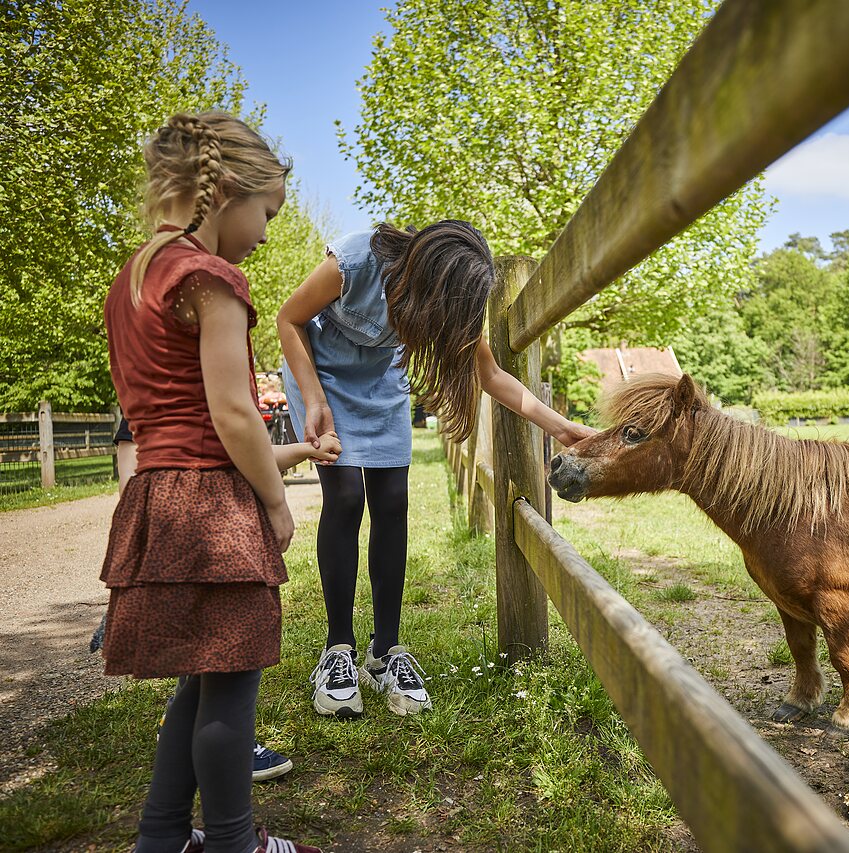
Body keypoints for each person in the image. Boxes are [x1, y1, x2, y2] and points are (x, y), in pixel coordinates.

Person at [100, 111, 323, 853]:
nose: (264, 233)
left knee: (199, 679)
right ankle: (236, 843)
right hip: (212, 506)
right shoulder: (209, 275)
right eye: (267, 213)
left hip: (160, 497)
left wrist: (285, 457)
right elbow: (230, 411)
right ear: (227, 190)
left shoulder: (132, 277)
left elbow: (174, 413)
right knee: (230, 684)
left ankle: (161, 837)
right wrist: (274, 499)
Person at [278, 222, 594, 718]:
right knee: (344, 497)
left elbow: (490, 375)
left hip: (382, 383)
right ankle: (338, 649)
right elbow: (289, 319)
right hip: (319, 377)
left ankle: (386, 652)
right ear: (429, 280)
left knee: (392, 501)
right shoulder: (357, 262)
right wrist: (315, 398)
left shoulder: (446, 302)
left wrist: (560, 428)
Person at [104, 418, 332, 783]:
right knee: (219, 653)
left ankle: (188, 736)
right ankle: (224, 745)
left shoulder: (203, 400)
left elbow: (251, 453)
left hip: (211, 527)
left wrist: (307, 450)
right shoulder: (164, 403)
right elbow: (132, 478)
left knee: (211, 651)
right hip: (185, 534)